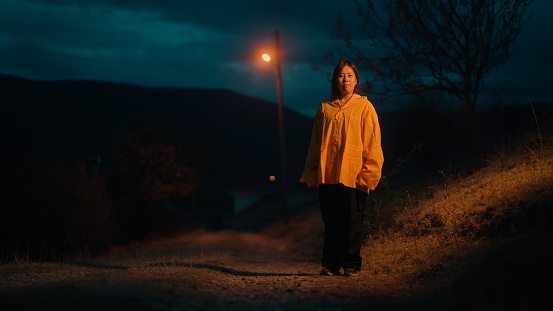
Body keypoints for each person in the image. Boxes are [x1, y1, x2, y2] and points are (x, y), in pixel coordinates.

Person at [301, 60, 384, 277]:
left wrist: (370, 172)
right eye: (341, 75)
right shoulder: (324, 109)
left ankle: (351, 264)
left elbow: (373, 143)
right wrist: (311, 171)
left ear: (356, 80)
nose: (345, 79)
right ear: (335, 80)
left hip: (354, 175)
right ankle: (330, 264)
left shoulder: (365, 107)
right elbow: (315, 143)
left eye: (349, 75)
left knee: (352, 222)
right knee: (331, 221)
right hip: (328, 175)